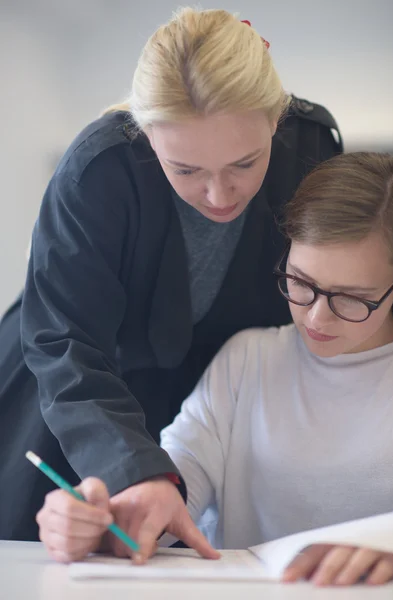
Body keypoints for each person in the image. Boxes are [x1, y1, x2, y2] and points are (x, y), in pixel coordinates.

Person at [0, 7, 341, 552]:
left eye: (244, 163)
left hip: (203, 396)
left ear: (276, 120)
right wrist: (130, 466)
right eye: (185, 170)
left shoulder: (312, 148)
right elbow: (64, 339)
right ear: (147, 134)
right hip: (73, 393)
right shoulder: (99, 168)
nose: (218, 195)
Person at [37, 152, 393, 586]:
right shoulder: (249, 360)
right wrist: (103, 517)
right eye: (301, 283)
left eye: (350, 298)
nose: (316, 319)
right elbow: (174, 486)